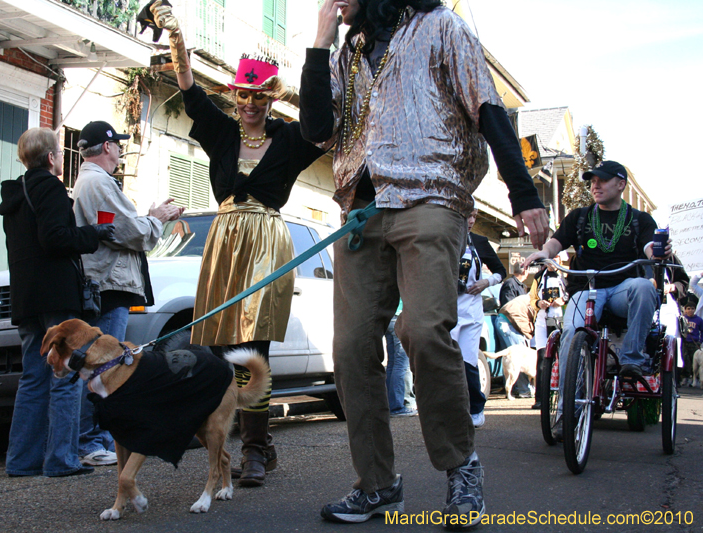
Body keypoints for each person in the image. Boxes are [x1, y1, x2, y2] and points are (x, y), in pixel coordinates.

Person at [299, 0, 549, 526]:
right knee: (349, 350)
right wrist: (320, 42)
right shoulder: (351, 50)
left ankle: (461, 467)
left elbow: (488, 109)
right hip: (362, 213)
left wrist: (524, 194)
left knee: (424, 330)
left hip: (431, 197)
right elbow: (316, 128)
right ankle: (378, 485)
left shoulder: (442, 27)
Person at [161, 8, 326, 487]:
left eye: (258, 98)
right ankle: (228, 442)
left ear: (270, 100)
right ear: (234, 98)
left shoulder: (292, 139)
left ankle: (255, 450)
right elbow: (190, 90)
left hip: (266, 244)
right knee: (217, 347)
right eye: (243, 97)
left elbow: (325, 124)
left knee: (253, 348)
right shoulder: (221, 132)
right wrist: (176, 38)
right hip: (224, 241)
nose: (250, 105)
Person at [524, 160, 671, 439]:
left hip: (621, 290)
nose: (595, 185)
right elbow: (556, 242)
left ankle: (632, 359)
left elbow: (652, 248)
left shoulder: (640, 219)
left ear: (620, 184)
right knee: (569, 335)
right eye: (592, 180)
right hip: (586, 288)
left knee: (642, 286)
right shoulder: (579, 216)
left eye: (602, 180)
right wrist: (543, 253)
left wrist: (659, 254)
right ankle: (569, 413)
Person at [0, 127, 115, 477]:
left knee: (33, 377)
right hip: (55, 295)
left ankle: (21, 461)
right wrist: (92, 234)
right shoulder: (47, 186)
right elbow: (54, 239)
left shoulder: (14, 195)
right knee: (63, 375)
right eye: (61, 154)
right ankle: (61, 460)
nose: (62, 159)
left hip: (26, 296)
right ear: (51, 158)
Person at [72, 120, 184, 466]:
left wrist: (146, 219)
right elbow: (128, 232)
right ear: (107, 147)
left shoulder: (90, 181)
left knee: (102, 364)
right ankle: (92, 441)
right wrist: (157, 218)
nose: (121, 151)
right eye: (118, 145)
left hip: (105, 282)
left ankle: (96, 438)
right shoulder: (99, 182)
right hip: (108, 284)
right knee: (104, 365)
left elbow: (115, 228)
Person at [452, 204, 506, 428]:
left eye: (474, 216)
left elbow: (501, 272)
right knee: (445, 362)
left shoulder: (481, 242)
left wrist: (486, 281)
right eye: (467, 215)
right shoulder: (444, 239)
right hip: (445, 309)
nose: (471, 220)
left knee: (467, 362)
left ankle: (476, 408)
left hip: (472, 312)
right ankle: (450, 410)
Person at [528, 255, 568, 409]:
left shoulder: (566, 275)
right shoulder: (539, 277)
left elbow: (573, 293)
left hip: (561, 318)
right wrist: (538, 303)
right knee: (543, 357)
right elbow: (532, 298)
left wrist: (563, 300)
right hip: (543, 319)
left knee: (562, 357)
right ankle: (541, 398)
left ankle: (565, 397)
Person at [386, 301, 417, 417]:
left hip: (388, 318)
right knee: (402, 365)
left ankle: (391, 404)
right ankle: (397, 406)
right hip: (400, 317)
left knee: (392, 364)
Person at [680, 303, 703, 386]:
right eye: (688, 308)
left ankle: (694, 378)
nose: (690, 310)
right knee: (685, 360)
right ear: (685, 310)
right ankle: (685, 377)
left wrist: (700, 341)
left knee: (695, 362)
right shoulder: (682, 319)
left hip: (694, 343)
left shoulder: (699, 320)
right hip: (685, 342)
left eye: (692, 308)